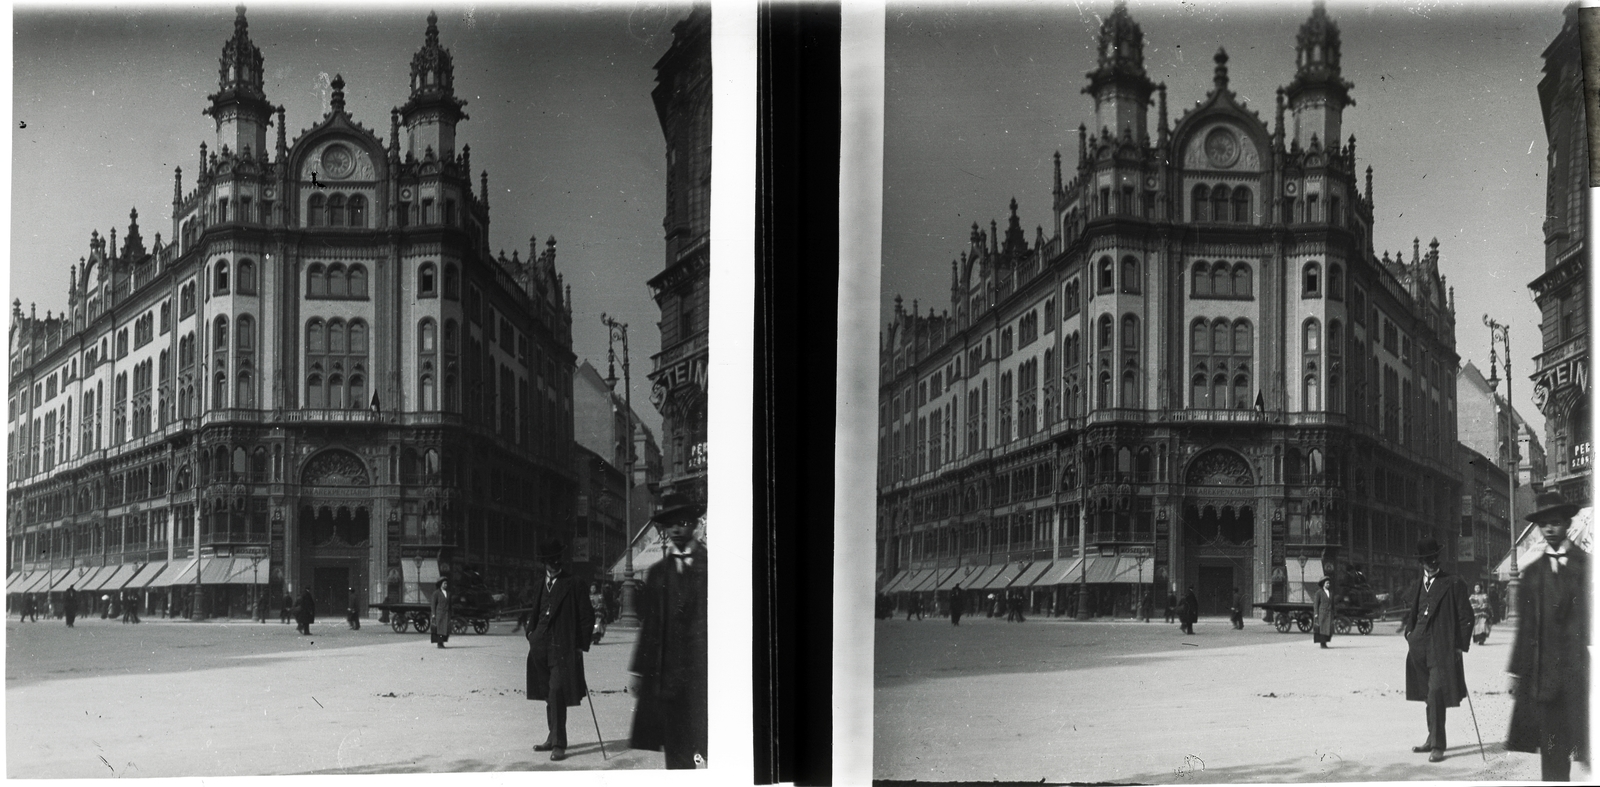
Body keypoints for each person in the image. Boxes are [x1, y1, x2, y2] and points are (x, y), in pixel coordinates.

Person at [1506, 491, 1589, 781]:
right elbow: (1525, 628)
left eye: (1555, 523)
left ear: (1567, 523)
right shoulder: (1533, 574)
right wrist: (1516, 672)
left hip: (1582, 675)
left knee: (1588, 748)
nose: (1549, 529)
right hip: (1546, 679)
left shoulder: (1589, 567)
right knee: (1553, 750)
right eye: (1544, 525)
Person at [629, 493, 708, 769]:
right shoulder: (658, 573)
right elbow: (649, 627)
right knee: (676, 750)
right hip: (669, 677)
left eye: (683, 522)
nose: (676, 529)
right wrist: (639, 670)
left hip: (706, 677)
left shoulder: (713, 566)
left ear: (695, 524)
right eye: (670, 524)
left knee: (710, 746)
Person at [1400, 536, 1473, 763]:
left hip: (1442, 647)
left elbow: (1466, 617)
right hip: (1419, 648)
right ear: (1420, 562)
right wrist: (1410, 635)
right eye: (1426, 560)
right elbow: (1411, 612)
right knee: (1427, 695)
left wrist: (1459, 647)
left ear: (1438, 558)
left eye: (1434, 558)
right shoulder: (1417, 584)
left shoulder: (1453, 582)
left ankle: (1438, 745)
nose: (1431, 563)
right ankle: (1431, 738)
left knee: (1436, 693)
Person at [526, 540, 592, 762]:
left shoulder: (574, 583)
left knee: (556, 692)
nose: (553, 564)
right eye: (549, 561)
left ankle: (559, 744)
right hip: (539, 647)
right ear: (544, 563)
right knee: (547, 693)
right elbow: (534, 612)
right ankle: (551, 736)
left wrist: (580, 646)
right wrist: (530, 634)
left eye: (556, 560)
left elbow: (586, 617)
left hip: (562, 649)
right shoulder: (539, 585)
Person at [1311, 577, 1335, 648]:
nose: (1328, 584)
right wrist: (1316, 614)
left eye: (1329, 583)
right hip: (1322, 613)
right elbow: (1316, 604)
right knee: (1322, 629)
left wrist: (1334, 613)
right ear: (1323, 584)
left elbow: (1332, 604)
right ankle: (1322, 643)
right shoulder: (1319, 593)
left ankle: (1325, 642)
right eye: (1327, 583)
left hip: (1329, 613)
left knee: (1328, 629)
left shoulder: (1330, 592)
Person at [429, 579, 451, 647]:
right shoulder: (436, 593)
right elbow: (433, 604)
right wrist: (433, 614)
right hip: (439, 613)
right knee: (439, 629)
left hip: (446, 614)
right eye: (444, 583)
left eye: (446, 584)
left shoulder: (448, 593)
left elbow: (450, 604)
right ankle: (439, 643)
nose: (446, 585)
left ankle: (442, 642)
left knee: (445, 629)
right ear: (441, 584)